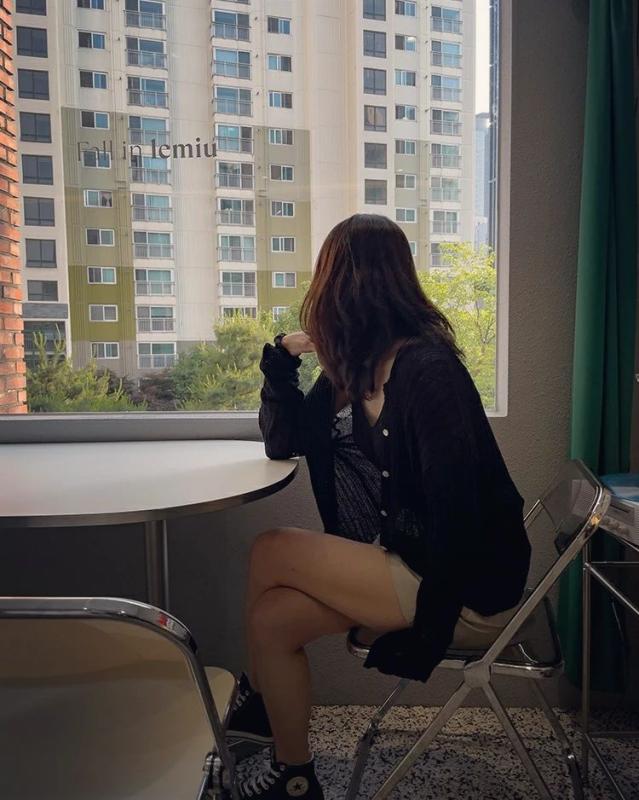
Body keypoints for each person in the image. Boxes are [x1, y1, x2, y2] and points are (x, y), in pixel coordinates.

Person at [225, 214, 531, 800]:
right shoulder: (357, 372)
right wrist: (283, 359)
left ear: (342, 290)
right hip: (413, 561)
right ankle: (294, 777)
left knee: (271, 549)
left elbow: (458, 517)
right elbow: (283, 442)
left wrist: (429, 636)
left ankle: (257, 710)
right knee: (272, 620)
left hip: (466, 586)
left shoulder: (428, 372)